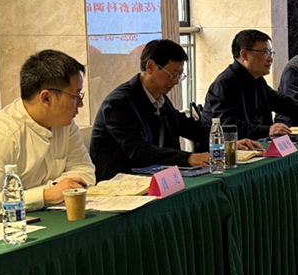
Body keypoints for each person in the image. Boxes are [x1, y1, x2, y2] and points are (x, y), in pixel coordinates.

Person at [90, 39, 260, 181]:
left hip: (155, 176)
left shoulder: (159, 98)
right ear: (150, 67)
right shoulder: (118, 104)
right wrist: (188, 158)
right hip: (122, 183)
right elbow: (139, 151)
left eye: (180, 75)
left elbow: (188, 126)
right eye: (173, 74)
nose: (176, 81)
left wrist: (226, 143)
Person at [0, 50, 96, 223]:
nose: (81, 103)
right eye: (75, 96)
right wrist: (44, 195)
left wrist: (55, 189)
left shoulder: (65, 124)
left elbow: (85, 170)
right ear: (46, 98)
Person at [201, 29, 298, 140]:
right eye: (265, 53)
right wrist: (267, 130)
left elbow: (283, 103)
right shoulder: (225, 83)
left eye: (271, 53)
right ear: (244, 54)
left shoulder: (257, 80)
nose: (270, 58)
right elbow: (228, 127)